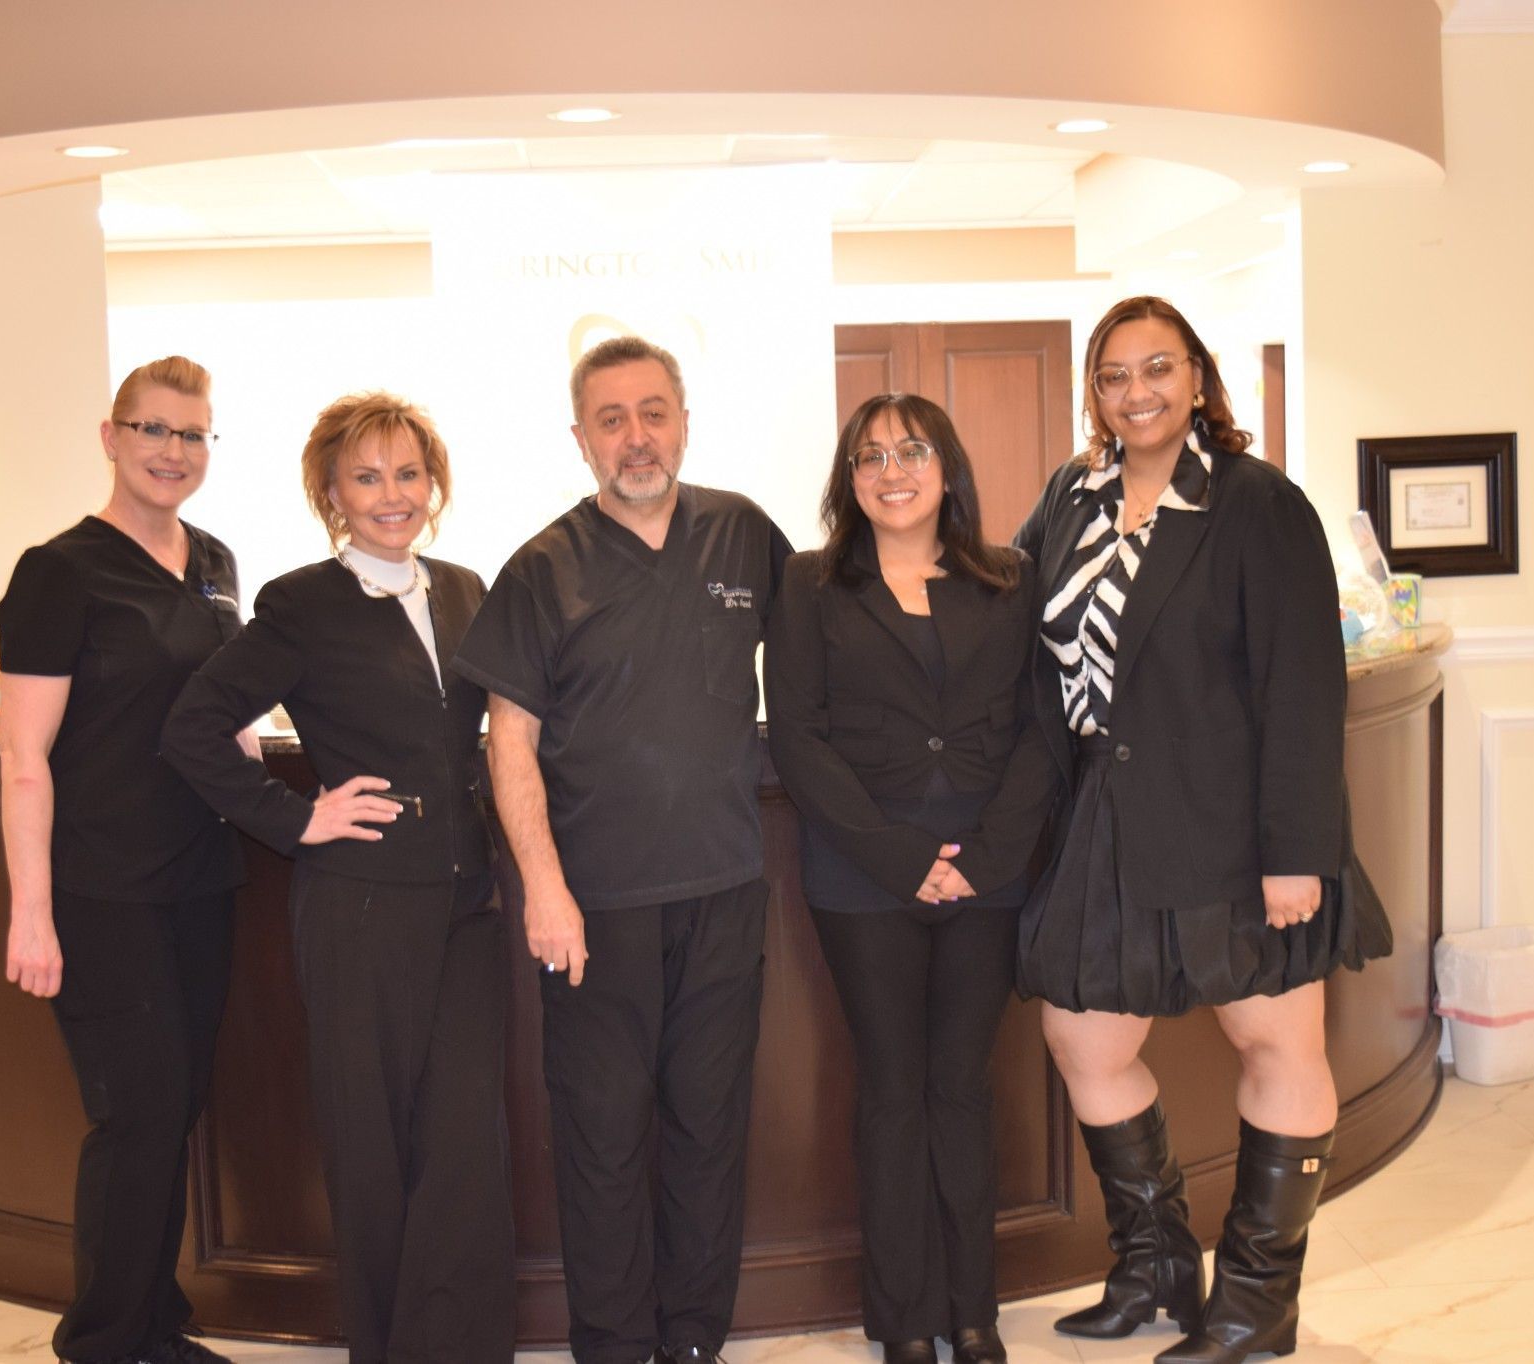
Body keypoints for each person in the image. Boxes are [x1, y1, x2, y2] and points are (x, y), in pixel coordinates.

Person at [1013, 297, 1392, 1364]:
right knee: (1081, 1037)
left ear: (1194, 379)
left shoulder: (1253, 502)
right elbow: (1010, 610)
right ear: (1091, 392)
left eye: (1155, 369)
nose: (1135, 391)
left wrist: (1294, 851)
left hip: (1233, 826)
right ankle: (1155, 1262)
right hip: (1101, 821)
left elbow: (1299, 687)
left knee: (1272, 1037)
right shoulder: (1069, 496)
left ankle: (1257, 1299)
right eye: (1113, 374)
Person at [451, 336, 791, 1364]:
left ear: (682, 419)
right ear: (579, 438)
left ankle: (692, 1340)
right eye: (610, 418)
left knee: (707, 1130)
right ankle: (611, 1342)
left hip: (725, 888)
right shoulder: (540, 567)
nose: (634, 435)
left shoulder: (743, 535)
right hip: (592, 908)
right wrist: (544, 889)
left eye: (651, 411)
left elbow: (831, 656)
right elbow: (506, 736)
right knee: (601, 1141)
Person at [160, 391, 514, 1364]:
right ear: (331, 491)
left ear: (432, 483)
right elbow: (194, 727)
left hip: (466, 904)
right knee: (371, 1145)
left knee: (460, 1147)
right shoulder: (301, 603)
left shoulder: (461, 587)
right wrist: (296, 817)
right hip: (360, 908)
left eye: (407, 473)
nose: (391, 494)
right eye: (367, 475)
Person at [764, 394, 1055, 1364]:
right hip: (861, 874)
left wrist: (986, 856)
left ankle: (970, 1307)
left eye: (911, 450)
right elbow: (797, 737)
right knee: (892, 1090)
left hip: (986, 870)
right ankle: (900, 1318)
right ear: (847, 476)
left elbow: (1039, 730)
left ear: (946, 465)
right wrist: (898, 856)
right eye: (870, 454)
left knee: (959, 1088)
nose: (892, 469)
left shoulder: (1008, 576)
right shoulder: (808, 583)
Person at [0, 355, 247, 1364]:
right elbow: (22, 758)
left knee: (176, 1102)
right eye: (153, 430)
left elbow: (224, 714)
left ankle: (151, 1317)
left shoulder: (216, 559)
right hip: (101, 889)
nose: (172, 451)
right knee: (135, 1110)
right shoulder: (58, 570)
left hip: (201, 877)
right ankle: (103, 1339)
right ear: (111, 436)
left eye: (191, 434)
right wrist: (30, 909)